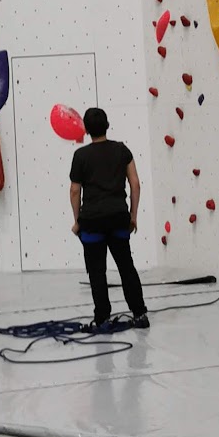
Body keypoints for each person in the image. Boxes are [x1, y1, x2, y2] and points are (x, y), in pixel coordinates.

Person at [69, 109, 149, 331]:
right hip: (118, 218)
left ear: (86, 129)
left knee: (97, 271)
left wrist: (78, 221)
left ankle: (102, 318)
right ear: (108, 125)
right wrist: (133, 216)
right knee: (126, 267)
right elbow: (135, 184)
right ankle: (140, 313)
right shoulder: (122, 151)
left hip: (92, 221)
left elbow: (75, 191)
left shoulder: (80, 156)